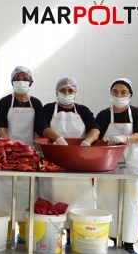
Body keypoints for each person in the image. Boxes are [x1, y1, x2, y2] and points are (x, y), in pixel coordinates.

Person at [0, 66, 43, 244]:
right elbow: (1, 128)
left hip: (29, 156)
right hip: (7, 155)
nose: (21, 82)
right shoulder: (4, 102)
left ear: (31, 82)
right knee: (2, 195)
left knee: (27, 196)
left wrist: (31, 153)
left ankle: (25, 235)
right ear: (12, 82)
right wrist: (9, 148)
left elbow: (38, 130)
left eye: (25, 79)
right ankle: (5, 234)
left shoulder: (37, 104)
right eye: (18, 79)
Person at [96, 78, 138, 254]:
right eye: (115, 92)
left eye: (123, 92)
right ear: (111, 94)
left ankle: (129, 244)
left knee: (130, 203)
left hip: (131, 164)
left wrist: (122, 138)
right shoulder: (103, 115)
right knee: (105, 201)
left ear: (130, 96)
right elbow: (97, 136)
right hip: (108, 165)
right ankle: (105, 240)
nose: (119, 96)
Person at [36, 77, 100, 219]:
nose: (66, 93)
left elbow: (95, 128)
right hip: (54, 162)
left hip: (79, 163)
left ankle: (74, 234)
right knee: (53, 202)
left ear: (75, 93)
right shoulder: (48, 108)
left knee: (79, 206)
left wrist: (87, 142)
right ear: (56, 92)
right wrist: (57, 138)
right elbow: (41, 127)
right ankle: (53, 235)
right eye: (62, 90)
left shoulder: (82, 110)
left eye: (70, 90)